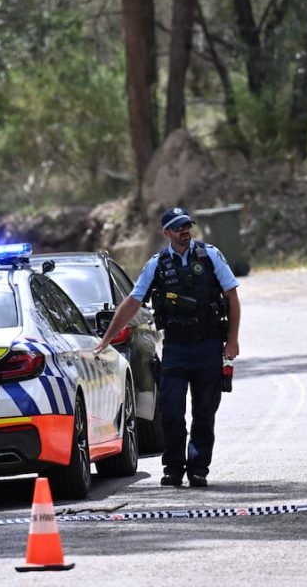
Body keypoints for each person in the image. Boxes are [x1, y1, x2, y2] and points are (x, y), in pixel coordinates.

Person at [95, 207, 240, 488]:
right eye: (178, 227)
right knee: (171, 412)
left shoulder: (210, 255)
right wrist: (107, 337)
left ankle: (198, 468)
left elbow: (231, 296)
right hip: (175, 348)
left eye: (187, 225)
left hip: (209, 344)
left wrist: (232, 339)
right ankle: (173, 468)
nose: (185, 231)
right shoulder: (157, 264)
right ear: (167, 233)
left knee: (204, 412)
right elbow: (133, 302)